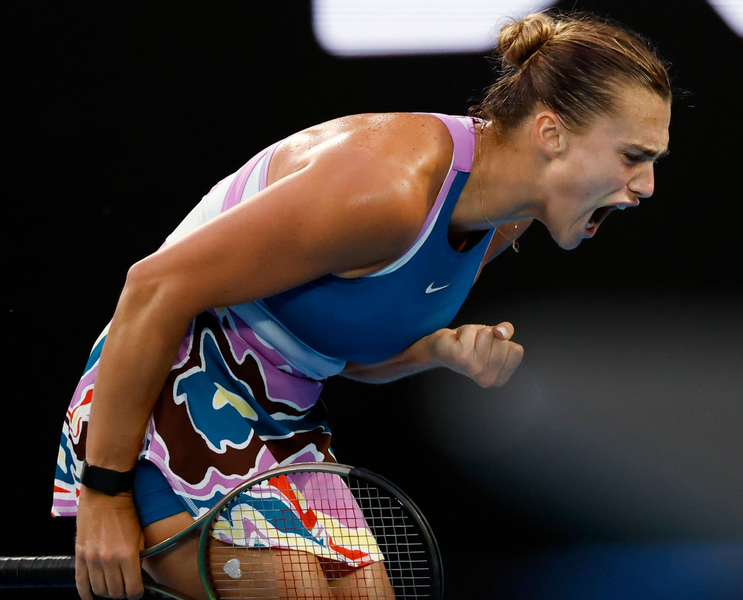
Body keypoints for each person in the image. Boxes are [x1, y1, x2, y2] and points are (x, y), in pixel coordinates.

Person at [51, 9, 672, 600]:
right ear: (552, 133)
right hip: (168, 388)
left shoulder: (503, 217)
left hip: (288, 422)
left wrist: (436, 351)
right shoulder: (387, 191)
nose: (645, 186)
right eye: (632, 157)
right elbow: (153, 288)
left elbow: (339, 351)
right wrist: (105, 495)